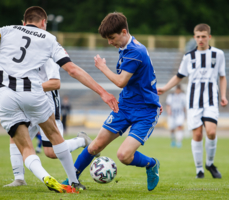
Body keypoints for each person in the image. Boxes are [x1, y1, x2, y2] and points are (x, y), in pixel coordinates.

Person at [0, 6, 118, 193]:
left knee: (24, 145)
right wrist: (102, 92)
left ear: (24, 22)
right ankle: (73, 182)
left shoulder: (5, 31)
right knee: (54, 135)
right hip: (33, 92)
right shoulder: (49, 39)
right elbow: (72, 70)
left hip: (4, 94)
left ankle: (44, 176)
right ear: (44, 22)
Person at [63, 12, 162, 192]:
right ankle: (72, 179)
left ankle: (152, 164)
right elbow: (146, 77)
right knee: (95, 145)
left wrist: (102, 67)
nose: (109, 42)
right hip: (124, 106)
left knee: (124, 155)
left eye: (112, 38)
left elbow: (120, 81)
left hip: (145, 111)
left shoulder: (135, 51)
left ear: (124, 32)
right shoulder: (127, 46)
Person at [4, 58, 97, 187]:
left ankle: (81, 141)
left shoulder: (46, 56)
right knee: (15, 136)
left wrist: (26, 88)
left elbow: (55, 84)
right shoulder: (24, 52)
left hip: (47, 104)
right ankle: (19, 179)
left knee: (51, 152)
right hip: (26, 101)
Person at [158, 24, 228, 179]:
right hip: (193, 102)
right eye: (198, 36)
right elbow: (179, 76)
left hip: (211, 100)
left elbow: (222, 76)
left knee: (211, 132)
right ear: (194, 37)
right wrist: (165, 88)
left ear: (209, 37)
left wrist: (223, 95)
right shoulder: (188, 56)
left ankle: (209, 163)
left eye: (204, 36)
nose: (201, 39)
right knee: (197, 135)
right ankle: (199, 170)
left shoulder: (218, 54)